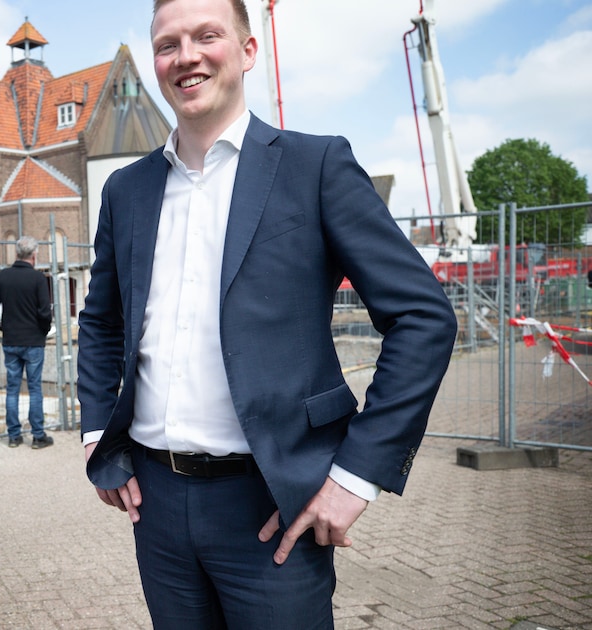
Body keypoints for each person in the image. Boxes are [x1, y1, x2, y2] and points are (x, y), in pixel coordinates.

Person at [76, 0, 459, 627]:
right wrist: (98, 436)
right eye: (168, 44)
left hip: (273, 501)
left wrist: (355, 475)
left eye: (207, 36)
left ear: (248, 50)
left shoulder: (315, 167)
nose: (187, 56)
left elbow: (423, 318)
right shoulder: (127, 190)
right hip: (155, 502)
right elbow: (100, 320)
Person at [0, 236, 54, 449]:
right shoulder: (38, 279)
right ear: (34, 255)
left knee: (12, 388)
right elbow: (45, 312)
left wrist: (2, 328)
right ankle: (38, 436)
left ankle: (14, 436)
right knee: (34, 388)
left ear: (16, 254)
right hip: (34, 341)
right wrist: (43, 331)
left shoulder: (3, 276)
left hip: (11, 340)